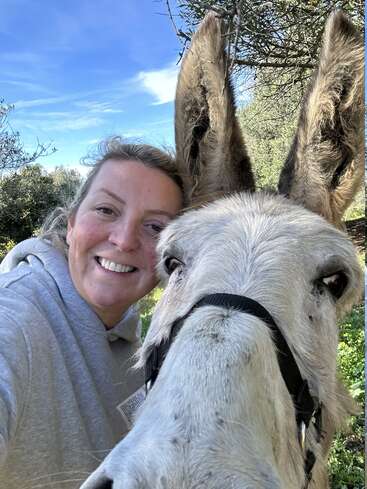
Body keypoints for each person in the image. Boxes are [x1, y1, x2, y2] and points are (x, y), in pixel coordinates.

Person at [0, 137, 183, 489]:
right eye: (106, 210)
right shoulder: (16, 317)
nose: (125, 240)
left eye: (156, 227)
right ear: (71, 224)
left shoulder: (139, 344)